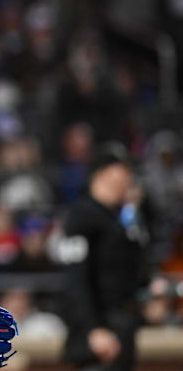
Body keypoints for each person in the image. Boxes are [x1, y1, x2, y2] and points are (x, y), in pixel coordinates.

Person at [58, 143, 148, 371]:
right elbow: (75, 278)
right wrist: (93, 328)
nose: (128, 177)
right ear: (103, 174)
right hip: (98, 334)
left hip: (121, 327)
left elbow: (132, 266)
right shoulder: (82, 215)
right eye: (121, 170)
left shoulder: (120, 218)